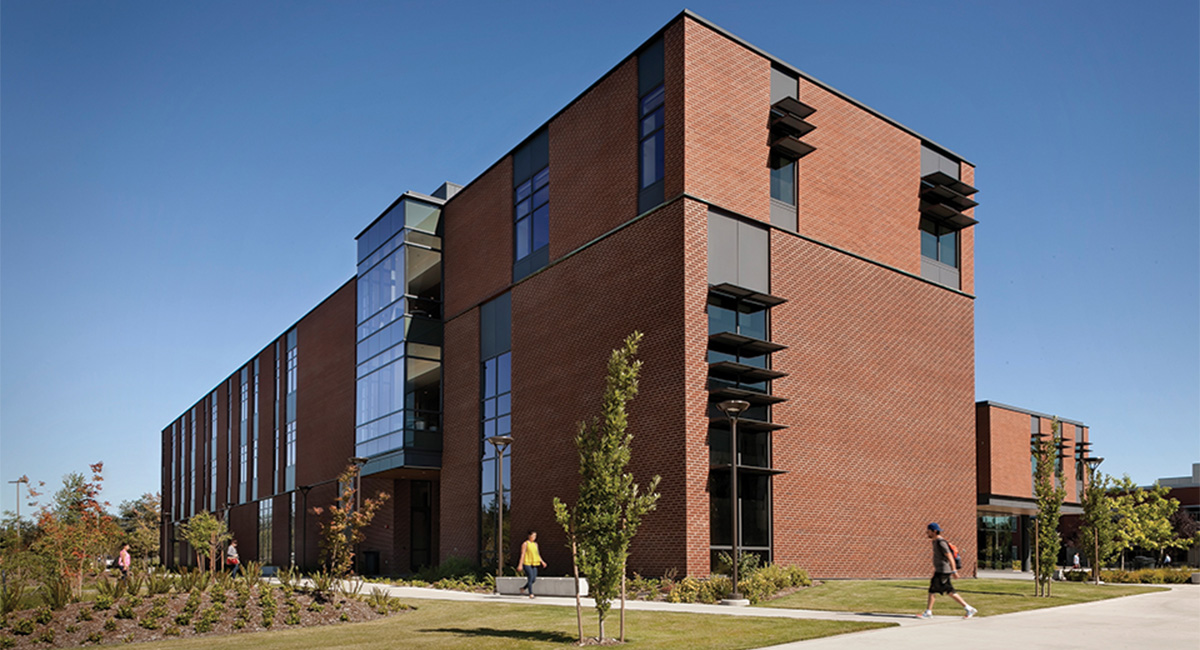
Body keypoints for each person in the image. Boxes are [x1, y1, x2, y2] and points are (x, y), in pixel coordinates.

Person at [921, 523, 977, 619]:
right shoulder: (934, 541)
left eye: (928, 531)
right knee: (948, 591)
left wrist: (954, 570)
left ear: (934, 531)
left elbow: (949, 556)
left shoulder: (940, 542)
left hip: (943, 571)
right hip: (940, 570)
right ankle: (969, 608)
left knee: (933, 590)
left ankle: (928, 612)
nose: (927, 532)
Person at [516, 530, 546, 598]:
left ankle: (523, 588)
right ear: (529, 536)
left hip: (534, 562)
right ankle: (531, 593)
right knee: (530, 577)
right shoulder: (525, 544)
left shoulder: (535, 544)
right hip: (527, 563)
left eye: (535, 536)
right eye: (533, 536)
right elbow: (522, 554)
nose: (534, 537)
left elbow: (537, 554)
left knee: (533, 579)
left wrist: (542, 561)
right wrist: (520, 564)